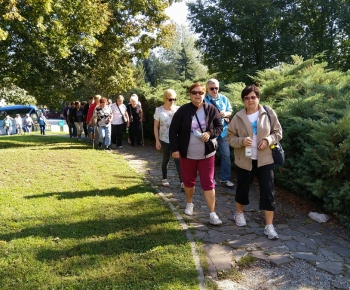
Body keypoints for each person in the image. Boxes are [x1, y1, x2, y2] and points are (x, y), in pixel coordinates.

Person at [226, 85, 282, 240]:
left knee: (268, 192)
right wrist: (242, 141)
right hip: (245, 160)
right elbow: (229, 137)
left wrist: (267, 140)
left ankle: (269, 226)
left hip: (265, 160)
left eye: (253, 97)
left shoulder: (268, 112)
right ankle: (239, 214)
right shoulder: (238, 117)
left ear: (258, 98)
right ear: (243, 100)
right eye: (247, 97)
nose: (250, 100)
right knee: (242, 189)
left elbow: (278, 132)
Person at [169, 83, 223, 225]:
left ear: (204, 93)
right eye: (194, 92)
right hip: (188, 153)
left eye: (200, 92)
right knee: (189, 181)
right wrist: (175, 149)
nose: (197, 95)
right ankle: (189, 203)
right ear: (189, 94)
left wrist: (209, 133)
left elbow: (219, 127)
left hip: (207, 154)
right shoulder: (183, 110)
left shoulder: (211, 109)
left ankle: (212, 213)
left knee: (209, 183)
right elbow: (173, 130)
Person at [204, 78, 234, 188]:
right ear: (207, 89)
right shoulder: (204, 100)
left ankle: (225, 179)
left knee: (226, 155)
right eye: (212, 88)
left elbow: (230, 111)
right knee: (211, 155)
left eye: (216, 88)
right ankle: (211, 178)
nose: (215, 90)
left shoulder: (224, 99)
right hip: (212, 131)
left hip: (224, 131)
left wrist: (226, 113)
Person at [154, 89, 183, 188]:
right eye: (170, 99)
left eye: (174, 99)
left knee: (178, 160)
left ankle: (182, 182)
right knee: (165, 159)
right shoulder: (159, 110)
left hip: (176, 139)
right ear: (165, 99)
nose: (172, 101)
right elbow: (155, 126)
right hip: (164, 138)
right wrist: (157, 140)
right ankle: (164, 178)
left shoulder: (178, 109)